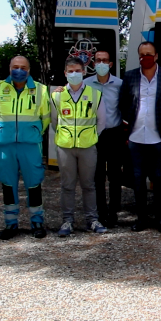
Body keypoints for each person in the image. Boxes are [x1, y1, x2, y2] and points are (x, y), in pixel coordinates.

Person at [0, 56, 51, 240]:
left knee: (34, 183)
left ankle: (37, 222)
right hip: (6, 145)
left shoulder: (40, 89)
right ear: (9, 68)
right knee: (8, 183)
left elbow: (45, 118)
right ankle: (10, 223)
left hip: (30, 145)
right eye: (15, 67)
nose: (19, 70)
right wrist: (3, 131)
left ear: (29, 70)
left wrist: (31, 132)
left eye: (23, 67)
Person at [119, 42, 161, 233]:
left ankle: (160, 218)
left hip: (158, 136)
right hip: (136, 137)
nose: (146, 58)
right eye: (142, 55)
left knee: (159, 178)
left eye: (149, 54)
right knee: (138, 179)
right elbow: (123, 103)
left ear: (156, 55)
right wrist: (128, 126)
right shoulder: (130, 76)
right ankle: (141, 218)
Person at [50, 57, 108, 236]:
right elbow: (54, 121)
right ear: (65, 73)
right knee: (67, 185)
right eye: (70, 71)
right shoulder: (57, 95)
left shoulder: (95, 94)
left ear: (83, 72)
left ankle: (92, 220)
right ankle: (67, 221)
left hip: (87, 146)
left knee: (89, 185)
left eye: (77, 71)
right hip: (65, 146)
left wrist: (90, 136)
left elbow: (101, 121)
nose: (74, 74)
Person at [84, 50, 124, 228]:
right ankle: (100, 212)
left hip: (114, 133)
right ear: (94, 64)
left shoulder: (119, 84)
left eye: (105, 60)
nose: (101, 63)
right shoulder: (86, 84)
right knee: (97, 176)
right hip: (94, 134)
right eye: (98, 60)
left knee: (115, 176)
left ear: (110, 64)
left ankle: (113, 213)